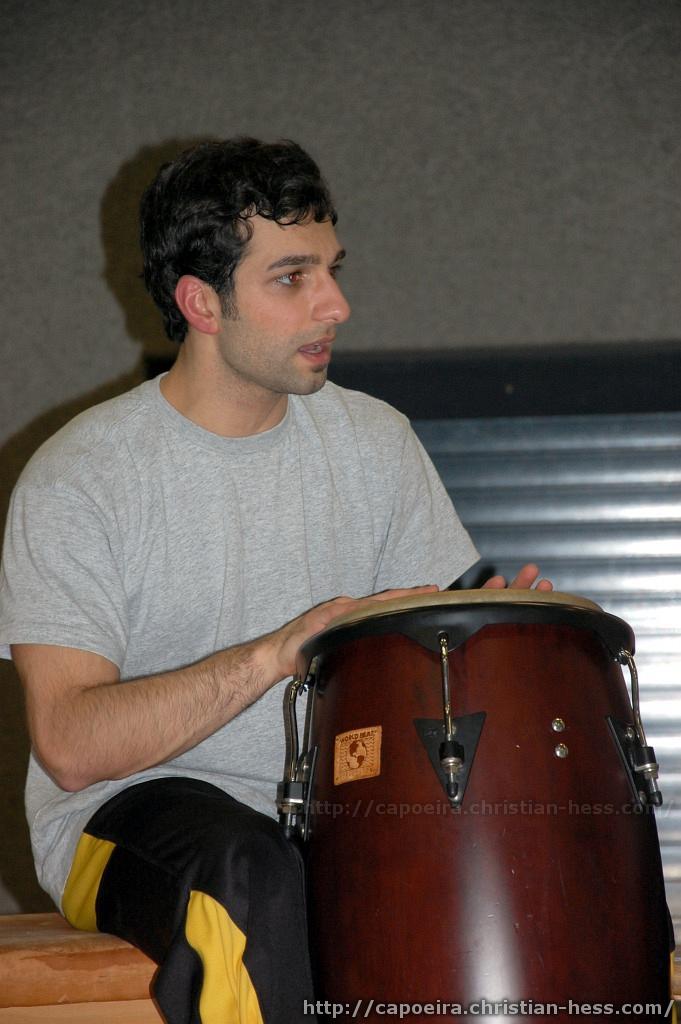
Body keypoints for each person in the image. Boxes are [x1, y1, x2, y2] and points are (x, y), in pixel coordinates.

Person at [0, 138, 551, 1024]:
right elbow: (69, 745)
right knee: (249, 870)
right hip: (124, 817)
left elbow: (430, 649)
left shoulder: (373, 442)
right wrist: (273, 655)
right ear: (201, 303)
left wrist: (501, 641)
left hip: (329, 810)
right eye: (292, 277)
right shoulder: (81, 477)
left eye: (331, 269)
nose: (336, 304)